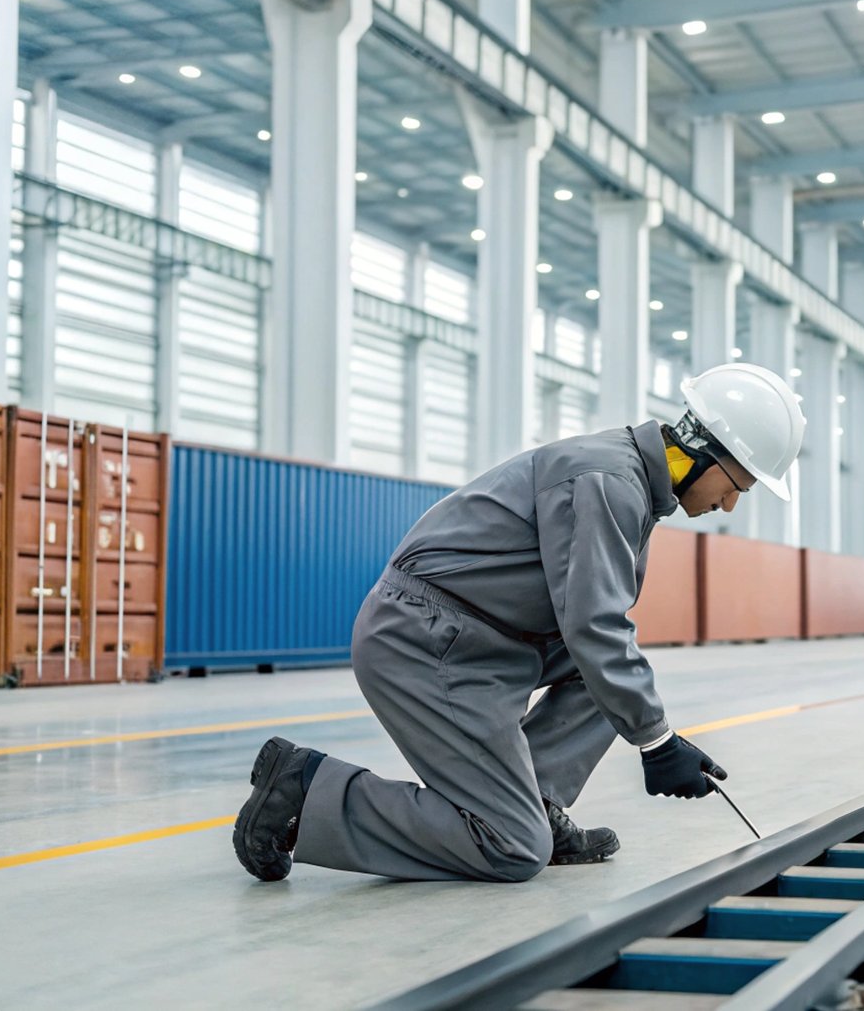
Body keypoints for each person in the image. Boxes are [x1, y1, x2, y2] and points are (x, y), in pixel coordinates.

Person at [233, 363, 806, 882]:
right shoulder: (607, 479)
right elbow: (594, 624)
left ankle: (536, 799)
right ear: (705, 453)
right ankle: (305, 792)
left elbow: (599, 636)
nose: (729, 505)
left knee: (608, 674)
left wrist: (650, 726)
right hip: (425, 640)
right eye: (736, 487)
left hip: (479, 638)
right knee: (510, 847)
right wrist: (656, 743)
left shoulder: (626, 480)